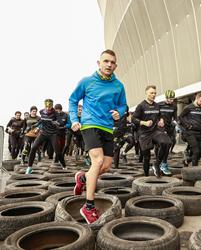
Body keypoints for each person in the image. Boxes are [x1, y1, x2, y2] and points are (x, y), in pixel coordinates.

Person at [70, 50, 127, 224]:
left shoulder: (118, 85)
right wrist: (74, 119)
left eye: (112, 62)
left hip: (107, 128)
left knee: (107, 165)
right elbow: (73, 100)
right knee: (98, 161)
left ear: (115, 65)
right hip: (89, 124)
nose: (109, 65)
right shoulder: (87, 82)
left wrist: (120, 112)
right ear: (99, 63)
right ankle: (88, 207)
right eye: (106, 61)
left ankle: (83, 178)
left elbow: (123, 105)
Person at [132, 85, 172, 177]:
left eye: (155, 93)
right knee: (146, 157)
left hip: (155, 131)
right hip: (144, 134)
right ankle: (146, 177)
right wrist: (144, 123)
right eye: (151, 93)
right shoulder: (141, 106)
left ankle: (157, 164)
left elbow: (160, 115)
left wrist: (161, 120)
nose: (153, 95)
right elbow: (134, 119)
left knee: (167, 142)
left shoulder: (157, 105)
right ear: (146, 93)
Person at [25, 99, 66, 174]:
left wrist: (55, 123)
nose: (48, 108)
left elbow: (61, 123)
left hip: (53, 134)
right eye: (46, 106)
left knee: (58, 152)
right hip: (43, 133)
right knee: (33, 147)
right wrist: (35, 125)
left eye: (49, 106)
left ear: (52, 106)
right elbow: (41, 121)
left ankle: (64, 167)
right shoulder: (41, 111)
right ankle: (29, 167)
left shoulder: (55, 113)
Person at [178, 92, 201, 167]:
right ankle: (194, 171)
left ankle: (187, 160)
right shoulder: (188, 107)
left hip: (199, 133)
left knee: (200, 154)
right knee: (196, 152)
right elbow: (180, 117)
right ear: (197, 99)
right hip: (189, 132)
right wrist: (187, 125)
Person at [158, 90, 178, 155]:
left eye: (173, 99)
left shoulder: (174, 106)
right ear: (166, 98)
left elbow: (175, 117)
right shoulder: (159, 105)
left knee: (171, 141)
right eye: (170, 99)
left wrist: (175, 122)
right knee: (162, 143)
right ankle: (158, 155)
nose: (171, 100)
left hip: (170, 126)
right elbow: (155, 115)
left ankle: (166, 154)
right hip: (161, 127)